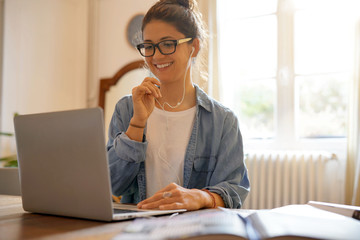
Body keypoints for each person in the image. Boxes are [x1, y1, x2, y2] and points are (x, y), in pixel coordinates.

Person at [107, 0, 249, 210]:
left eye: (167, 44)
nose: (156, 56)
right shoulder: (126, 110)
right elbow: (113, 185)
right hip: (137, 230)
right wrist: (137, 123)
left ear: (194, 47)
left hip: (195, 231)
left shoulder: (223, 121)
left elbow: (234, 191)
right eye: (149, 46)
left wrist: (201, 197)